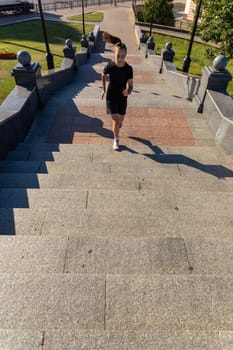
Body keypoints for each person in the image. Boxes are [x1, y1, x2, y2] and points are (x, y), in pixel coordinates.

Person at [101, 32, 133, 151]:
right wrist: (103, 89)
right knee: (116, 120)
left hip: (122, 98)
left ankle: (119, 125)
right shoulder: (110, 67)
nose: (120, 59)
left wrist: (128, 91)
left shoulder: (129, 69)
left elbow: (131, 86)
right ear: (114, 54)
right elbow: (103, 75)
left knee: (121, 119)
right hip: (111, 97)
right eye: (118, 56)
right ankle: (116, 139)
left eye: (123, 56)